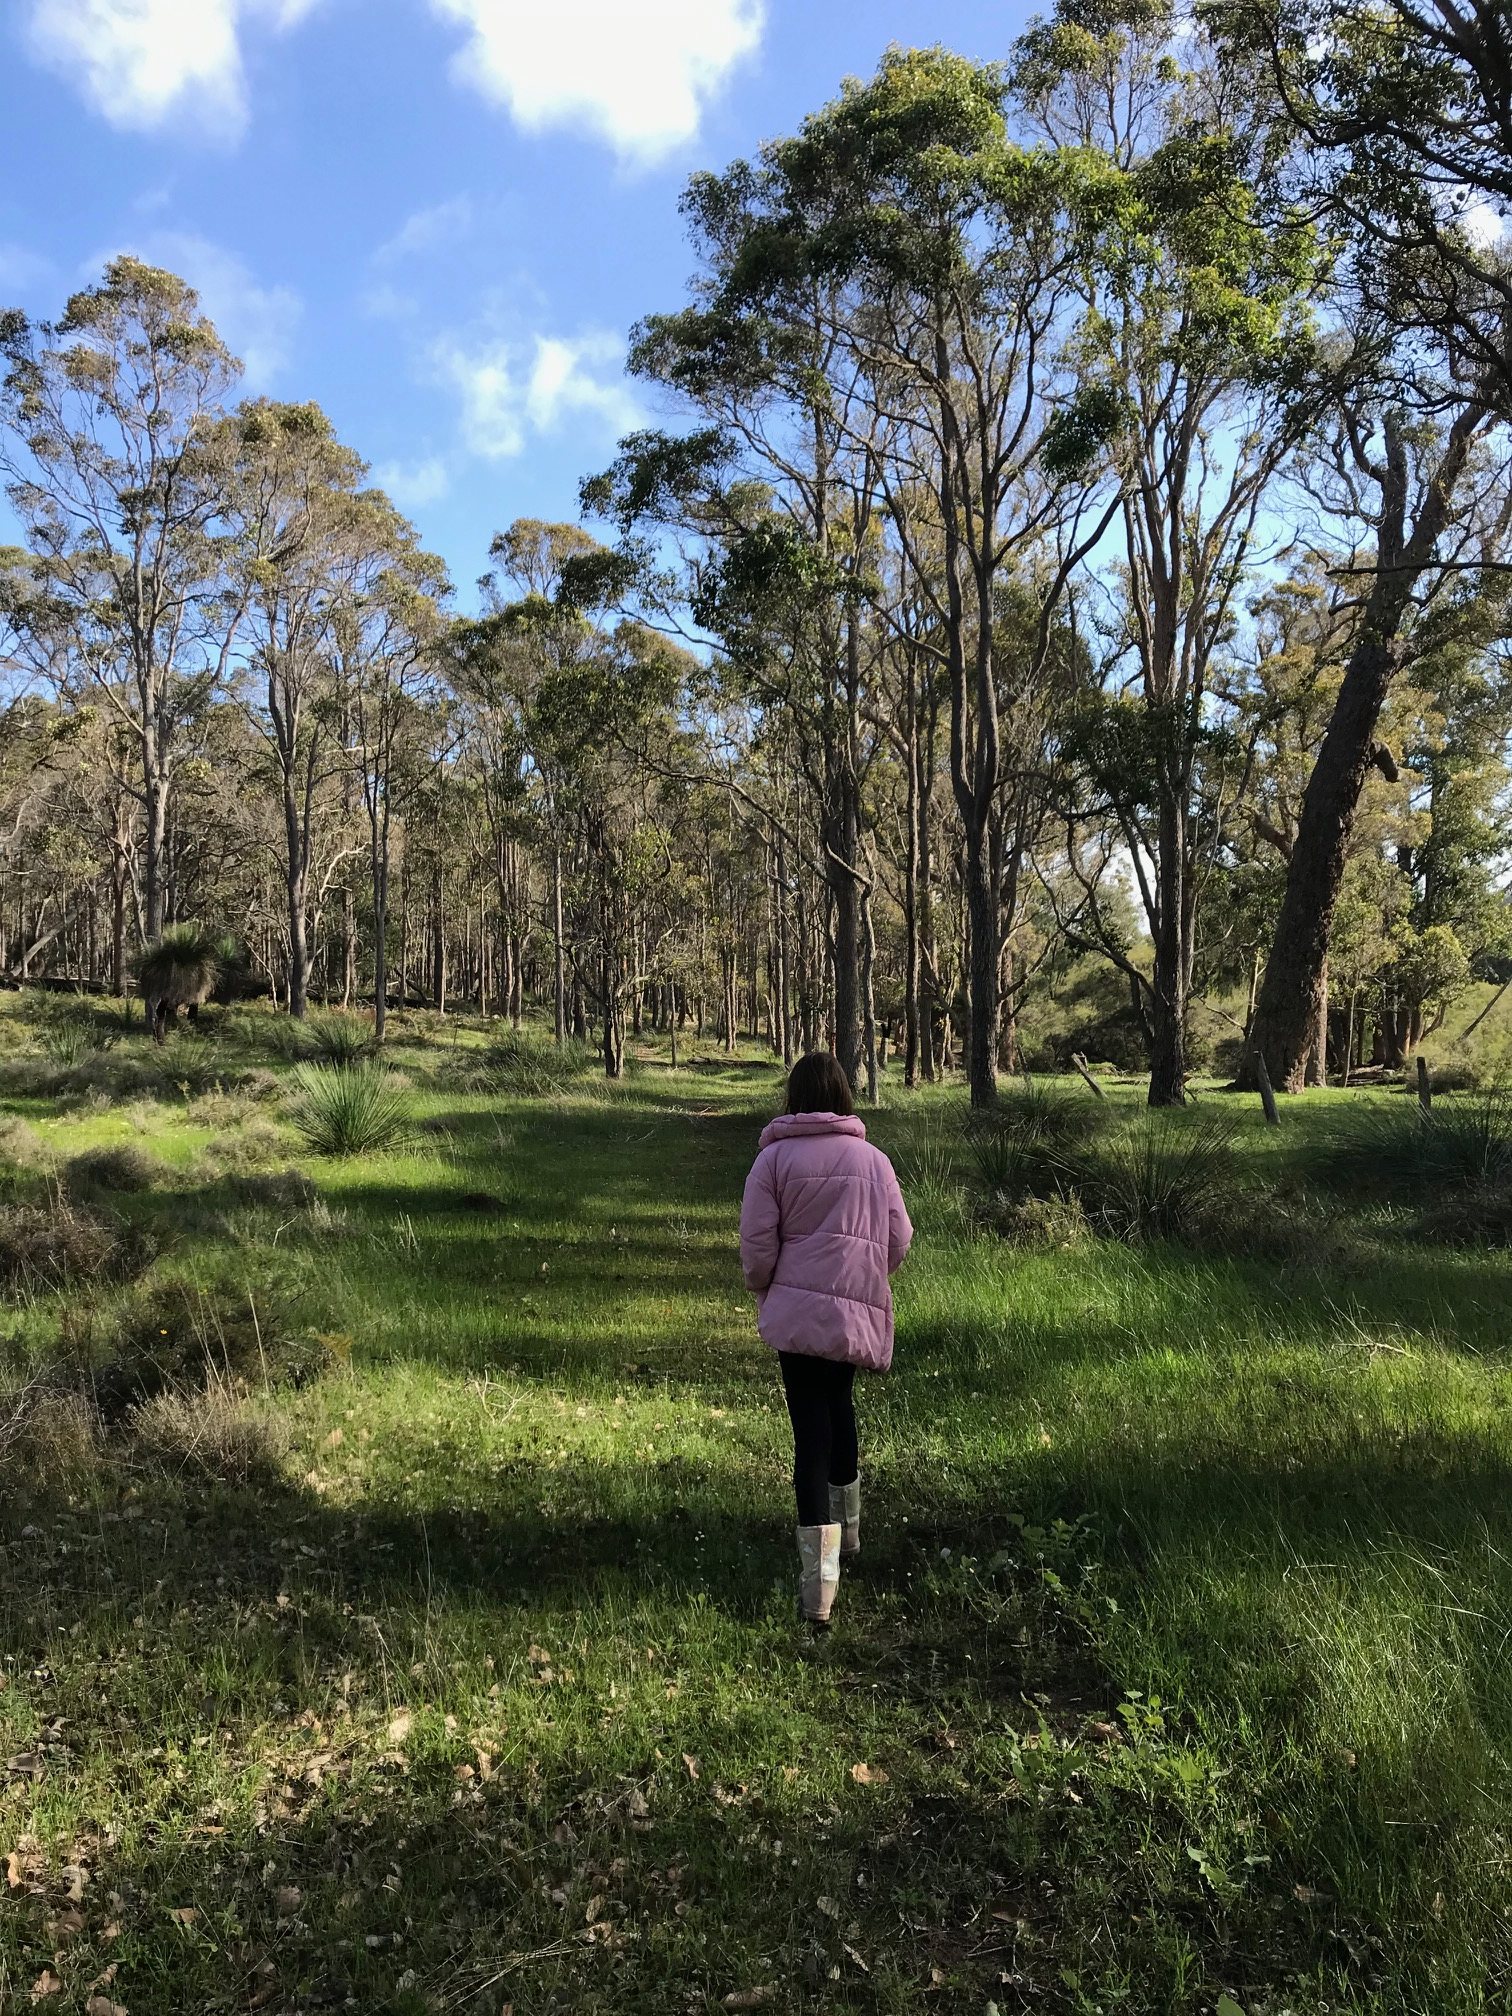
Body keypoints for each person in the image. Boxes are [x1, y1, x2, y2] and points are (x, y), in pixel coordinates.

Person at [738, 1051, 912, 1628]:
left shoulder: (772, 1161)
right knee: (840, 1408)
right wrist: (865, 1273)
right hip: (851, 1312)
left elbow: (757, 1248)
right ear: (843, 1096)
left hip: (796, 1314)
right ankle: (851, 1533)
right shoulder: (874, 1160)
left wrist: (766, 1287)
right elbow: (898, 1239)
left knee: (808, 1431)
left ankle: (819, 1590)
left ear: (793, 1097)